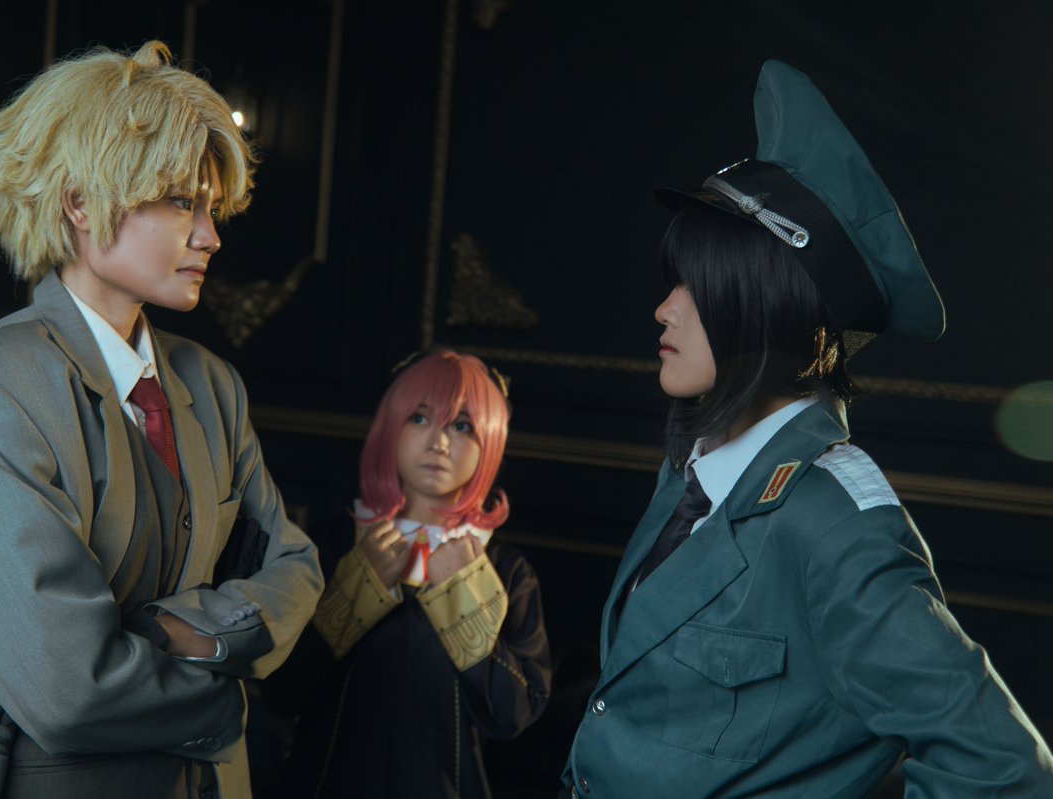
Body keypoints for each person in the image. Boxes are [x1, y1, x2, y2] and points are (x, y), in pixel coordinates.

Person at [561, 61, 1053, 797]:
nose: (664, 308)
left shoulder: (833, 522)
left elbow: (1004, 769)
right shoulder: (695, 466)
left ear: (768, 307)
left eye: (698, 285)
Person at [0, 41, 323, 799]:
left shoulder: (213, 385)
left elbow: (294, 570)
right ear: (81, 203)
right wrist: (224, 699)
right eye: (181, 202)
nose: (210, 235)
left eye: (210, 208)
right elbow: (67, 688)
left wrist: (174, 633)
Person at [260, 350, 552, 798]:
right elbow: (281, 691)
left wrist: (462, 592)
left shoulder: (506, 570)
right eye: (419, 418)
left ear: (491, 442)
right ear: (390, 427)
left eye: (462, 426)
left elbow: (513, 715)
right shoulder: (331, 545)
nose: (439, 443)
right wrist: (356, 591)